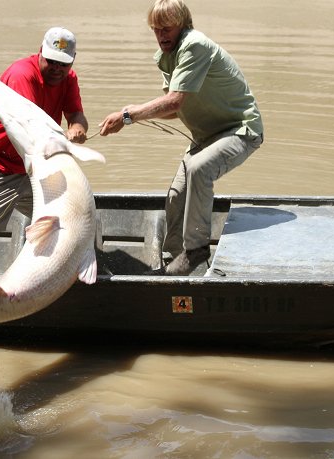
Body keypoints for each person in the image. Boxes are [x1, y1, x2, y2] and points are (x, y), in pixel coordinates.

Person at [98, 0, 263, 276]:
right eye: (156, 29)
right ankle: (175, 258)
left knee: (200, 169)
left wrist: (128, 115)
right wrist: (136, 117)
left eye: (167, 28)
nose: (161, 35)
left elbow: (174, 102)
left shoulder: (194, 45)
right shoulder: (167, 56)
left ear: (183, 25)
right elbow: (176, 109)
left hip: (241, 130)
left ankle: (196, 251)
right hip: (206, 137)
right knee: (176, 195)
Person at [0, 27, 89, 272]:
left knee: (70, 217)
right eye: (51, 61)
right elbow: (28, 128)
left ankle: (58, 273)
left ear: (72, 61)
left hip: (29, 163)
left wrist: (77, 127)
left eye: (63, 64)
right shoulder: (23, 74)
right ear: (40, 53)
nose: (57, 68)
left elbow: (76, 114)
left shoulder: (69, 79)